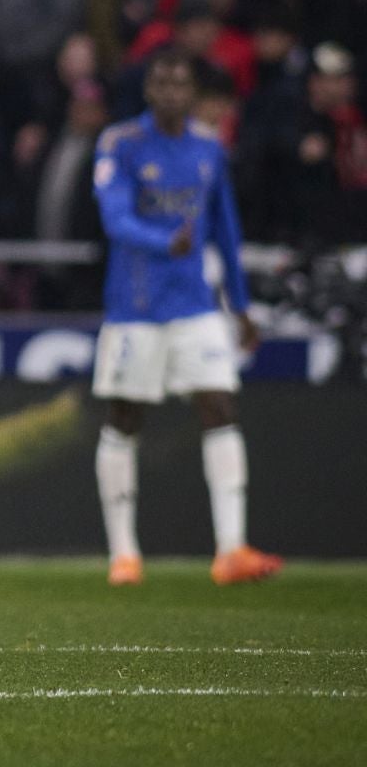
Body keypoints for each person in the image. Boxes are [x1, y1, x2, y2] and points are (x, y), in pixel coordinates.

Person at [91, 51, 282, 587]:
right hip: (137, 306)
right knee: (126, 415)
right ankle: (124, 554)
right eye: (162, 80)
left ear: (193, 92)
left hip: (197, 302)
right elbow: (115, 217)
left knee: (220, 404)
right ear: (149, 89)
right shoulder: (121, 143)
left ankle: (232, 549)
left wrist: (240, 306)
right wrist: (163, 240)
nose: (171, 90)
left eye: (181, 81)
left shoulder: (208, 148)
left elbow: (226, 228)